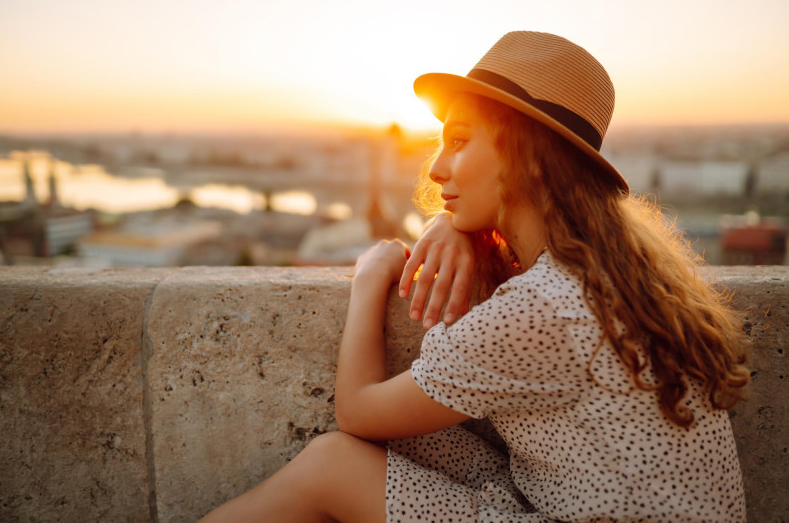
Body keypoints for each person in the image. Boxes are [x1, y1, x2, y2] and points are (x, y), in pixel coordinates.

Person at [200, 31, 749, 522]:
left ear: (531, 160)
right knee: (418, 443)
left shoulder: (543, 307)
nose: (437, 167)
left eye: (459, 141)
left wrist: (371, 276)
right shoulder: (608, 273)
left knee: (331, 464)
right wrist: (453, 220)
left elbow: (358, 411)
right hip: (582, 499)